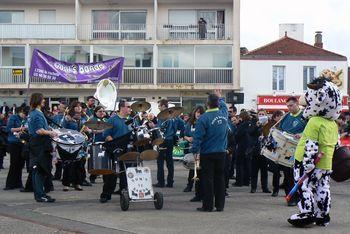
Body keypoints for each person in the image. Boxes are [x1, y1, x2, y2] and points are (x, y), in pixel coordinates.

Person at [191, 90, 228, 212]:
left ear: (207, 104)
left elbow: (198, 137)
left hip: (207, 153)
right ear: (217, 103)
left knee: (208, 180)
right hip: (222, 152)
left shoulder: (203, 118)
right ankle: (220, 205)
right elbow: (224, 106)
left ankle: (207, 206)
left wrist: (195, 151)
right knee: (220, 179)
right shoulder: (224, 114)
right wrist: (220, 97)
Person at [100, 100, 132, 203]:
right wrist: (114, 145)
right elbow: (106, 134)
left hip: (127, 149)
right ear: (122, 108)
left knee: (126, 172)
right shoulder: (112, 120)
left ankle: (124, 193)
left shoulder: (131, 120)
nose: (130, 109)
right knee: (112, 173)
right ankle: (106, 194)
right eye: (128, 107)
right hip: (115, 149)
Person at [27, 93, 57, 202]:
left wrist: (48, 129)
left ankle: (40, 194)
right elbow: (39, 131)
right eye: (43, 99)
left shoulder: (32, 113)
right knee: (41, 170)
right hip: (40, 144)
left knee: (38, 170)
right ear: (39, 100)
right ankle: (40, 195)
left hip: (36, 143)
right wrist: (52, 133)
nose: (44, 101)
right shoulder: (37, 114)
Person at [278, 96, 306, 206]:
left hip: (299, 149)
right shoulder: (285, 117)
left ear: (297, 103)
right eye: (287, 106)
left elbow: (311, 131)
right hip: (286, 150)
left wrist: (302, 135)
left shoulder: (304, 116)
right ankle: (290, 198)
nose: (289, 108)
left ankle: (299, 197)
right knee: (287, 175)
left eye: (291, 105)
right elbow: (280, 129)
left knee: (298, 175)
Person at [153, 99, 185, 188]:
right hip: (170, 141)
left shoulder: (161, 116)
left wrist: (153, 126)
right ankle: (170, 182)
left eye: (159, 106)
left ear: (164, 106)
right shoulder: (175, 117)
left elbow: (159, 129)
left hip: (162, 141)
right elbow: (183, 126)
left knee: (160, 162)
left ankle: (161, 182)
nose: (158, 108)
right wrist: (179, 136)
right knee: (170, 161)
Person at [60, 101, 86, 191]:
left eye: (80, 106)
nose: (79, 108)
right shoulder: (67, 118)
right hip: (69, 143)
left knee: (79, 164)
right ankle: (66, 184)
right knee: (68, 164)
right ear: (73, 107)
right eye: (77, 106)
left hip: (79, 143)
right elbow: (62, 129)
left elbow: (86, 129)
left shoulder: (83, 118)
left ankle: (78, 183)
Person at [183, 106, 205, 200]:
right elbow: (184, 135)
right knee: (192, 169)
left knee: (200, 171)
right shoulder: (190, 124)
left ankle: (199, 193)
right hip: (193, 149)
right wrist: (188, 138)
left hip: (202, 150)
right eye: (197, 112)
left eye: (200, 112)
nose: (198, 114)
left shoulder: (204, 122)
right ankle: (190, 185)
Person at [3, 107, 28, 190]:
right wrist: (20, 129)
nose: (25, 116)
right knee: (14, 163)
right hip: (13, 143)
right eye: (24, 114)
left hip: (22, 143)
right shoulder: (13, 117)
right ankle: (9, 184)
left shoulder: (25, 119)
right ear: (21, 111)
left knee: (20, 164)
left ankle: (18, 183)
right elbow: (8, 129)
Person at [250, 109, 271, 193]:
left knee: (264, 171)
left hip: (265, 151)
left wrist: (266, 125)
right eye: (260, 114)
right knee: (254, 170)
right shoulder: (254, 124)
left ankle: (264, 187)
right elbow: (250, 133)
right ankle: (253, 187)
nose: (261, 115)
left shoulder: (269, 125)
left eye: (263, 114)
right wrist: (257, 126)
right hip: (256, 150)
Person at [88, 106, 107, 183]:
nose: (102, 113)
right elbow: (92, 130)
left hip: (105, 142)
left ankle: (105, 177)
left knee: (105, 161)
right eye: (100, 111)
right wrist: (103, 130)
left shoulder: (106, 120)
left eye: (103, 111)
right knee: (96, 161)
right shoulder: (93, 120)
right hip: (96, 142)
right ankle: (93, 177)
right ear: (95, 112)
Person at [234, 111, 251, 187]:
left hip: (241, 146)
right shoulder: (249, 124)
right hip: (248, 146)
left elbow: (238, 135)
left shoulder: (242, 125)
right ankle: (246, 181)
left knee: (239, 164)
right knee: (246, 164)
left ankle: (239, 181)